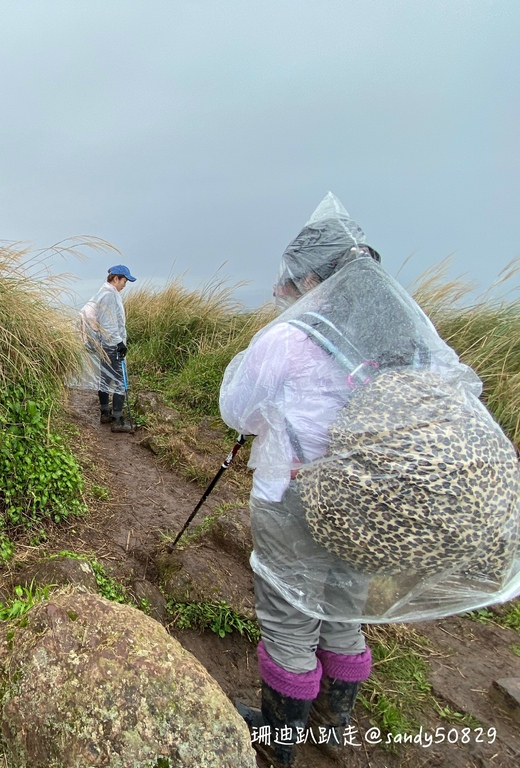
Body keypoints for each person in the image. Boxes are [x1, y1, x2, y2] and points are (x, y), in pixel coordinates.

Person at [219, 193, 520, 765]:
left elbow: (237, 411)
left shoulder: (288, 340)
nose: (283, 290)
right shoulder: (406, 340)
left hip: (293, 498)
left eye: (289, 280)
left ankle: (281, 743)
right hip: (378, 507)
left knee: (288, 620)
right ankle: (334, 726)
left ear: (310, 278)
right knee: (345, 611)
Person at [78, 264, 136, 433]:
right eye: (125, 280)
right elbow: (109, 324)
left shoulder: (102, 293)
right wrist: (119, 343)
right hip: (111, 344)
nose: (125, 284)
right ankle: (117, 421)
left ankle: (105, 413)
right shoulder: (110, 295)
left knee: (105, 377)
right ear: (116, 278)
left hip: (103, 344)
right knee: (119, 381)